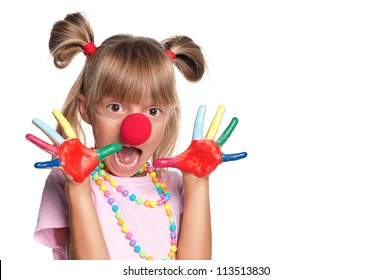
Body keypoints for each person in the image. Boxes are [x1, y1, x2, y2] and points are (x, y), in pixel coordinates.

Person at [28, 12, 246, 260]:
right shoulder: (66, 181)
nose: (135, 127)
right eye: (115, 107)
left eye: (153, 111)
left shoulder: (172, 185)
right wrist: (77, 188)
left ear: (168, 116)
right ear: (86, 109)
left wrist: (197, 183)